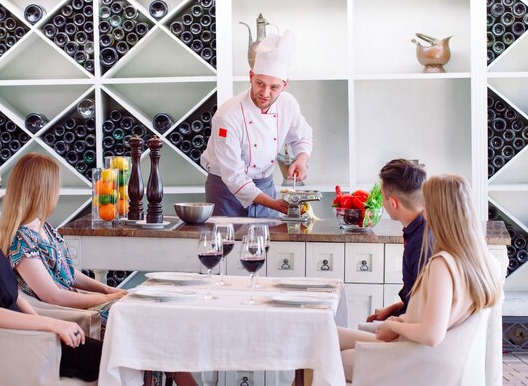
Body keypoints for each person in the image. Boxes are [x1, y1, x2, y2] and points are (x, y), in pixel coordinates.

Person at [0, 153, 102, 381]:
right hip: (12, 347)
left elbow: (14, 295)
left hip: (29, 337)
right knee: (112, 359)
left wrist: (49, 327)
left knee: (116, 355)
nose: (2, 194)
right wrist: (50, 325)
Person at [338, 174, 502, 382]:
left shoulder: (442, 265)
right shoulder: (479, 261)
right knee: (327, 338)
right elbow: (443, 314)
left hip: (415, 358)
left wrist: (393, 326)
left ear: (436, 211)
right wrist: (402, 317)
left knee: (331, 359)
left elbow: (432, 334)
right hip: (428, 355)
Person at [0, 153, 127, 330]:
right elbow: (53, 297)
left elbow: (69, 272)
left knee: (132, 307)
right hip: (60, 314)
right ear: (43, 190)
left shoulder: (43, 226)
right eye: (55, 186)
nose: (57, 191)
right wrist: (107, 298)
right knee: (126, 314)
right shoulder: (21, 240)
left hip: (72, 302)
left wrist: (108, 290)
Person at [200, 30, 313, 218]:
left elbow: (302, 136)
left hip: (265, 185)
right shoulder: (227, 116)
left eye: (274, 87)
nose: (265, 93)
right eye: (260, 83)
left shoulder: (288, 104)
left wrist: (301, 159)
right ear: (251, 76)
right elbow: (233, 177)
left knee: (265, 244)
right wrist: (275, 205)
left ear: (285, 84)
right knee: (226, 244)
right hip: (225, 191)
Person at [367, 159, 429, 322]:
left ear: (393, 203)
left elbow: (424, 314)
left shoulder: (420, 245)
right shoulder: (423, 230)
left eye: (382, 196)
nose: (381, 201)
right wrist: (396, 308)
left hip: (414, 336)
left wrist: (393, 324)